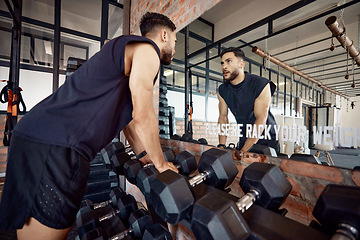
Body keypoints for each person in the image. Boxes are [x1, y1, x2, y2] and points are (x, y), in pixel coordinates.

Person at [0, 12, 178, 239]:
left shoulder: (123, 50)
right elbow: (144, 114)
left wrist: (145, 155)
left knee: (29, 228)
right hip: (60, 146)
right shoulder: (148, 50)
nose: (174, 46)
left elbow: (130, 120)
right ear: (164, 34)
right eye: (174, 40)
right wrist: (161, 163)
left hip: (32, 135)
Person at [217, 47, 279, 153]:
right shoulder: (222, 90)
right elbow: (223, 118)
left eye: (229, 61)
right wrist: (221, 146)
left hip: (266, 141)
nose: (224, 66)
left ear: (241, 64)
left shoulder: (261, 84)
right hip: (244, 137)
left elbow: (260, 119)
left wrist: (243, 152)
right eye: (222, 63)